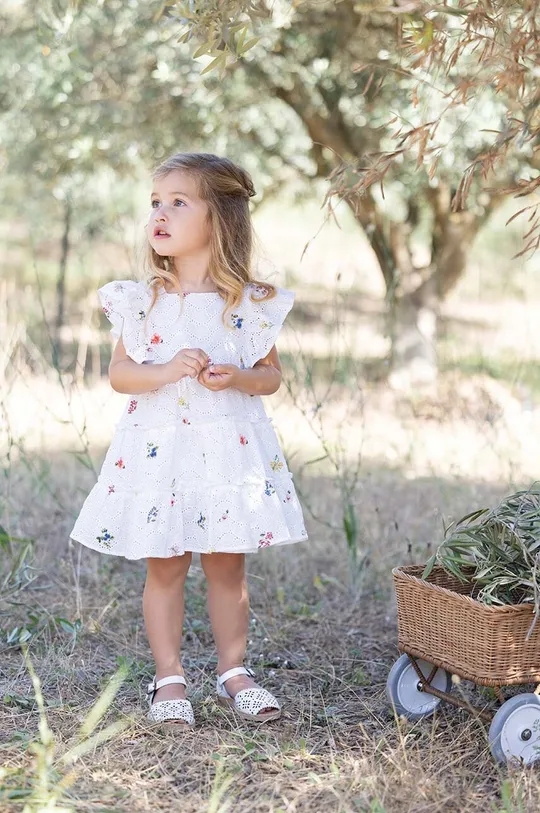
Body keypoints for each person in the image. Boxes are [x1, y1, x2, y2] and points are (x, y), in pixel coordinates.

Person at [69, 152, 308, 729]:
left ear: (219, 218)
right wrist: (170, 368)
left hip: (226, 454)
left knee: (227, 566)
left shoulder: (247, 303)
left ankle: (233, 672)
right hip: (161, 455)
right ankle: (169, 676)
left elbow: (270, 378)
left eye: (178, 202)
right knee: (167, 565)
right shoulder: (140, 300)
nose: (160, 213)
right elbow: (121, 375)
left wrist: (238, 376)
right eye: (155, 202)